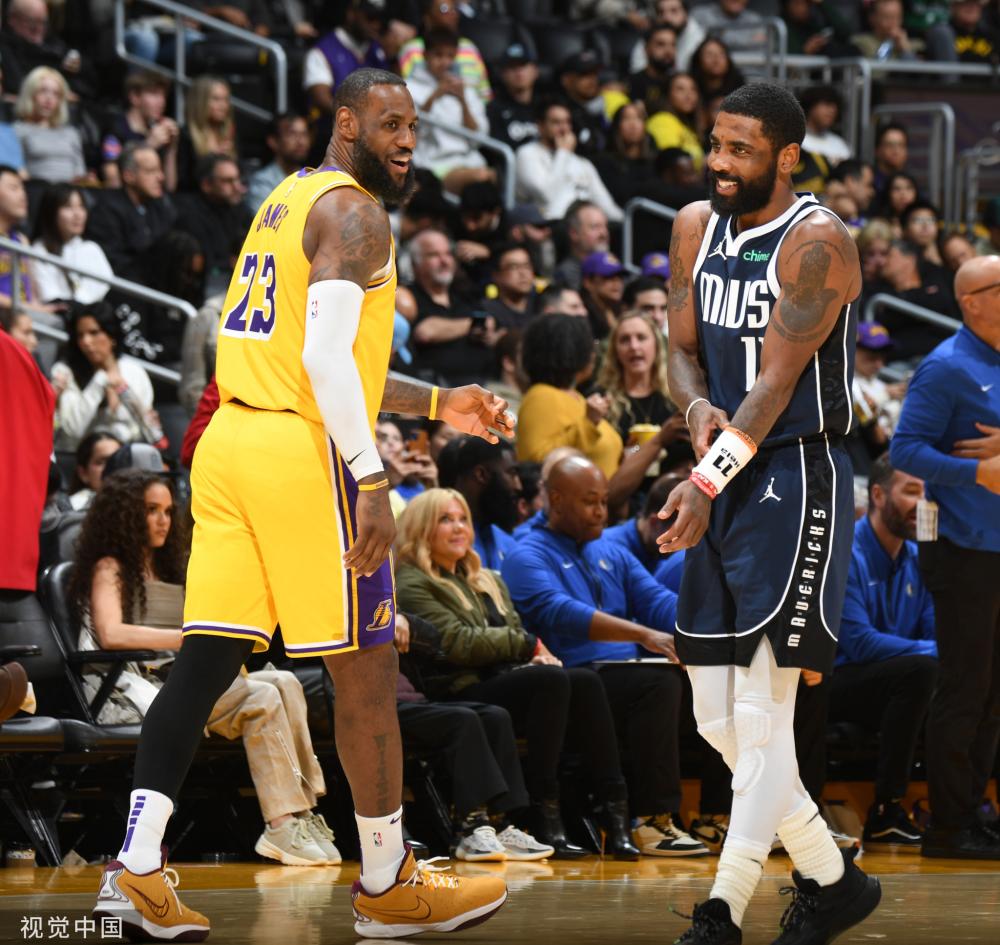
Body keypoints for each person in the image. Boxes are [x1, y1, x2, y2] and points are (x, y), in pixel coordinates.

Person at [92, 68, 512, 941]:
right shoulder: (358, 214)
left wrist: (441, 403)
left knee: (206, 660)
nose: (407, 141)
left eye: (414, 127)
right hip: (297, 455)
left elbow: (322, 358)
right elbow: (323, 364)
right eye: (390, 124)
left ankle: (134, 870)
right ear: (347, 123)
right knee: (365, 668)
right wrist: (371, 477)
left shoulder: (287, 198)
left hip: (230, 444)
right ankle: (389, 881)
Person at [660, 83, 880, 943]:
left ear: (787, 156)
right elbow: (681, 351)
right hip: (723, 468)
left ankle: (723, 908)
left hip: (794, 472)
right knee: (715, 716)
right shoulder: (694, 226)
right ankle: (833, 877)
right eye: (715, 144)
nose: (719, 162)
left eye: (740, 150)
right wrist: (692, 410)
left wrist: (705, 478)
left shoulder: (817, 243)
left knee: (761, 713)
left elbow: (775, 388)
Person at [70, 468, 340, 866]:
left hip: (183, 676)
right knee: (262, 697)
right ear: (124, 515)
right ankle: (282, 823)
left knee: (285, 680)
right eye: (150, 510)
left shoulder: (174, 569)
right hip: (141, 686)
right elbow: (111, 633)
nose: (163, 520)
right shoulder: (110, 567)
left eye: (168, 511)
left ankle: (302, 813)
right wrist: (185, 639)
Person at [396, 487, 628, 859]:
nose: (459, 528)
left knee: (584, 681)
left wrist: (527, 654)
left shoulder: (485, 578)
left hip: (490, 680)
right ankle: (543, 809)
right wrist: (526, 646)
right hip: (451, 687)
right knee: (549, 680)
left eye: (463, 519)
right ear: (421, 528)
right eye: (445, 520)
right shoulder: (411, 582)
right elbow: (456, 643)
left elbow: (508, 633)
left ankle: (616, 811)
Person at [501, 455, 708, 858]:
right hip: (571, 681)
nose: (601, 511)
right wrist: (643, 634)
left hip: (618, 676)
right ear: (556, 500)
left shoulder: (611, 551)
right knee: (658, 682)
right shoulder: (526, 554)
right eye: (589, 501)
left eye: (603, 500)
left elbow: (657, 601)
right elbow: (559, 611)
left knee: (715, 680)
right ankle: (652, 821)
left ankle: (719, 815)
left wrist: (715, 629)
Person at [890, 254, 1000, 859]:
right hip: (961, 549)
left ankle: (975, 809)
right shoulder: (946, 367)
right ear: (972, 302)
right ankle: (949, 824)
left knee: (993, 692)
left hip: (995, 546)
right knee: (965, 687)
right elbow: (906, 451)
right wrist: (978, 472)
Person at [832, 454, 936, 848]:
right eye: (911, 491)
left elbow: (935, 630)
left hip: (901, 681)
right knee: (922, 671)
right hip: (838, 681)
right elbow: (859, 642)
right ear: (877, 495)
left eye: (926, 493)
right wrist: (937, 652)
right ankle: (885, 810)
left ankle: (962, 809)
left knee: (972, 674)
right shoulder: (845, 551)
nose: (921, 503)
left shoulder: (920, 557)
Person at [596, 312, 687, 510]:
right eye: (625, 340)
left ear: (656, 344)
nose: (634, 346)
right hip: (624, 504)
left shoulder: (677, 397)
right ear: (615, 350)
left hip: (674, 500)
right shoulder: (602, 401)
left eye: (641, 337)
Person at [515, 313, 623, 478]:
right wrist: (588, 423)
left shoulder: (576, 397)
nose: (593, 354)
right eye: (588, 346)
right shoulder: (541, 396)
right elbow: (537, 462)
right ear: (571, 351)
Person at [51, 302, 157, 452]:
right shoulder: (64, 372)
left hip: (126, 456)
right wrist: (100, 382)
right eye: (80, 335)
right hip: (77, 458)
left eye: (94, 333)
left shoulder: (134, 372)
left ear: (111, 336)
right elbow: (73, 430)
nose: (86, 342)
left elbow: (148, 429)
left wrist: (124, 392)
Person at [405, 29, 491, 194]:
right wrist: (435, 96)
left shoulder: (466, 90)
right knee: (482, 179)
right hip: (433, 164)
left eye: (450, 56)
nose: (445, 62)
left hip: (470, 161)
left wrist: (463, 101)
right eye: (438, 55)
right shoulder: (408, 88)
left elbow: (478, 138)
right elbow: (412, 132)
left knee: (494, 177)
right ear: (425, 55)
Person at [407, 228, 497, 385]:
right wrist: (473, 324)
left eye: (448, 254)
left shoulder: (464, 295)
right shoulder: (408, 296)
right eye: (434, 255)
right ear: (416, 264)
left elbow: (489, 324)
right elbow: (425, 332)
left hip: (484, 383)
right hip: (436, 388)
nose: (444, 261)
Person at [515, 102, 623, 225]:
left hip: (582, 228)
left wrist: (627, 222)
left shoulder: (582, 163)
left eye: (567, 122)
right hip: (547, 226)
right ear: (540, 126)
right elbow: (546, 196)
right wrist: (564, 153)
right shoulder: (527, 154)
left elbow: (607, 206)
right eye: (556, 122)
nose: (564, 129)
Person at [86, 144, 177, 286]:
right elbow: (113, 263)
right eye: (151, 171)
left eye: (160, 170)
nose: (161, 177)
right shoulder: (106, 211)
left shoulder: (160, 206)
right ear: (128, 176)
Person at [174, 154, 254, 296]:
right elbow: (209, 265)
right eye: (228, 181)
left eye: (238, 179)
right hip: (206, 291)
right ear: (207, 185)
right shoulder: (190, 215)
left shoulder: (240, 210)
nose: (238, 187)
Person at [436, 437, 520, 570]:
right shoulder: (439, 536)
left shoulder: (506, 542)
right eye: (512, 473)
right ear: (481, 475)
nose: (518, 486)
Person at [31, 184, 114, 306]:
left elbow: (107, 288)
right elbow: (49, 297)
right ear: (51, 212)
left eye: (81, 206)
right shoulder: (39, 250)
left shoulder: (91, 248)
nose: (78, 214)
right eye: (68, 207)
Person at [304, 0, 389, 117]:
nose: (376, 25)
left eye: (380, 19)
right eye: (370, 18)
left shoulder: (379, 50)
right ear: (351, 14)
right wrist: (357, 117)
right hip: (334, 125)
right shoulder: (323, 51)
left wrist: (393, 57)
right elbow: (321, 100)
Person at [101, 72, 180, 192]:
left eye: (163, 96)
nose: (162, 102)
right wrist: (149, 145)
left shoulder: (157, 131)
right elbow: (113, 182)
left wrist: (171, 150)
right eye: (154, 94)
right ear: (135, 97)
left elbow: (169, 187)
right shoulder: (115, 128)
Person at [13, 66, 87, 183]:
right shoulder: (16, 131)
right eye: (43, 91)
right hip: (35, 189)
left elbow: (79, 173)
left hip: (70, 190)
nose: (49, 99)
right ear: (30, 93)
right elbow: (17, 173)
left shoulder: (71, 133)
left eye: (56, 94)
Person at [176, 76, 237, 192]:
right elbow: (182, 182)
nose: (223, 106)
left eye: (226, 99)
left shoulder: (229, 133)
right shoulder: (185, 135)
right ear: (200, 102)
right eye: (216, 99)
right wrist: (212, 159)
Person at [592, 102, 656, 209]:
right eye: (626, 118)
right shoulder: (604, 162)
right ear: (617, 126)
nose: (633, 125)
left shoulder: (654, 163)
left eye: (638, 118)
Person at [245, 114, 311, 214]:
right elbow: (265, 221)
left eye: (304, 134)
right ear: (273, 142)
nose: (301, 141)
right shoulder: (262, 182)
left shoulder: (313, 177)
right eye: (292, 134)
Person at [646, 73, 704, 169]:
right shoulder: (662, 120)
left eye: (693, 89)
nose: (688, 95)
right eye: (680, 89)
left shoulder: (684, 125)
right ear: (668, 93)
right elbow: (672, 160)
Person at [553, 200, 611, 291]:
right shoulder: (565, 275)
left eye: (605, 226)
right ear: (574, 233)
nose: (604, 233)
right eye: (595, 227)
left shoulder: (614, 265)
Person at [482, 244, 538, 330]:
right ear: (496, 275)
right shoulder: (487, 312)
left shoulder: (542, 306)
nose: (523, 273)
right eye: (513, 267)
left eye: (527, 266)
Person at [629, 24, 678, 118]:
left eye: (673, 45)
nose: (668, 51)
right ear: (646, 49)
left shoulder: (680, 83)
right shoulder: (633, 82)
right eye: (660, 44)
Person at [68, 432, 122, 511]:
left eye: (118, 460)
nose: (112, 467)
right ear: (83, 473)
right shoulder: (70, 510)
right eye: (101, 462)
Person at [851, 0, 922, 61]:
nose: (893, 22)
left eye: (897, 17)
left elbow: (919, 71)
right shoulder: (860, 44)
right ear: (872, 18)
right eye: (887, 18)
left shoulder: (916, 45)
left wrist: (906, 50)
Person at [580, 251, 627, 341]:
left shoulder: (622, 311)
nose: (617, 282)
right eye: (608, 277)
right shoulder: (582, 316)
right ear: (588, 282)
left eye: (620, 277)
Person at [800, 86, 851, 166]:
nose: (832, 110)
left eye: (835, 106)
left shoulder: (839, 144)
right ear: (810, 107)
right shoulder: (795, 141)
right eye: (827, 104)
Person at [690, 0, 766, 54]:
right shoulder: (701, 15)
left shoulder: (755, 20)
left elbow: (761, 49)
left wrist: (720, 35)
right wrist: (749, 41)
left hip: (749, 70)